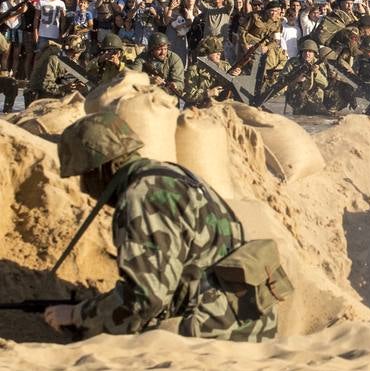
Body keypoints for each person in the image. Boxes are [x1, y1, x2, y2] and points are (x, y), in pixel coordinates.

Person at [43, 113, 288, 341]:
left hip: (214, 335)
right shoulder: (172, 175)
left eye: (83, 176)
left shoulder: (142, 197)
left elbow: (145, 299)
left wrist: (78, 315)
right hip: (246, 322)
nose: (84, 188)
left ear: (99, 169)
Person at [284, 40, 331, 115]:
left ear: (314, 53)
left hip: (314, 98)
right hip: (297, 96)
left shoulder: (319, 65)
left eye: (310, 52)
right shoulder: (292, 63)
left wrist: (316, 73)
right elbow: (282, 81)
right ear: (301, 52)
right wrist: (296, 80)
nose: (307, 54)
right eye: (305, 51)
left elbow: (325, 84)